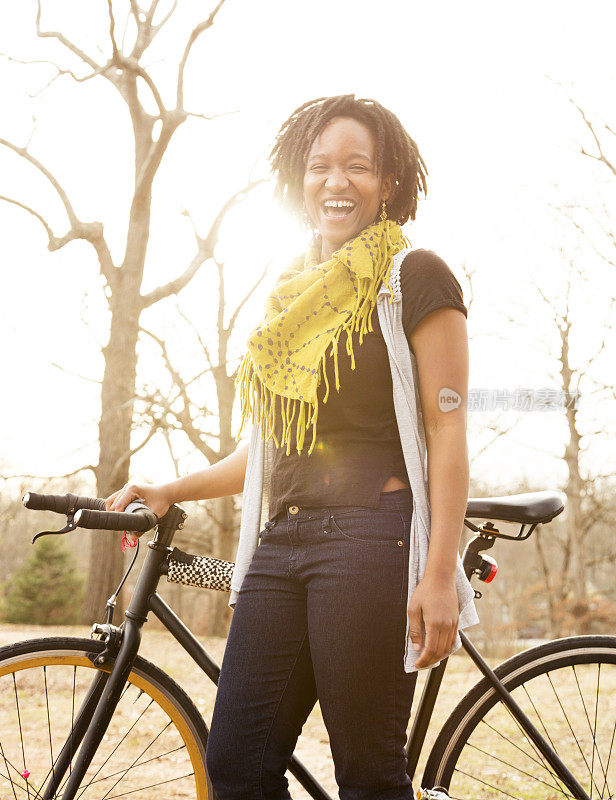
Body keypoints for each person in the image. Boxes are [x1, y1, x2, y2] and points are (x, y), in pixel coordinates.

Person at [106, 94, 476, 800]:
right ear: (299, 181)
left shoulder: (415, 278)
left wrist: (439, 574)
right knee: (237, 766)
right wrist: (169, 490)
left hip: (373, 539)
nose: (337, 181)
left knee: (368, 776)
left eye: (358, 167)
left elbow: (447, 429)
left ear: (388, 182)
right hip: (283, 544)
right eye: (320, 167)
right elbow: (270, 451)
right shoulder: (292, 299)